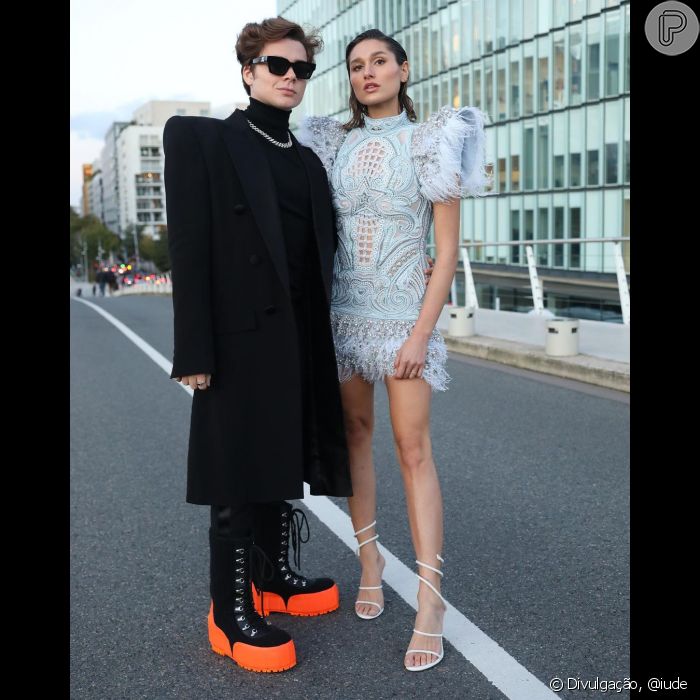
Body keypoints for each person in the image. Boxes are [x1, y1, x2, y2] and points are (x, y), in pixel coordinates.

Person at [163, 17, 353, 674]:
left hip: (298, 337)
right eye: (279, 65)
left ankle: (272, 581)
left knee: (280, 464)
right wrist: (194, 352)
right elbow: (188, 249)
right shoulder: (204, 141)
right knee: (235, 475)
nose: (291, 78)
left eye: (302, 69)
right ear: (248, 70)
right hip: (237, 339)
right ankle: (228, 609)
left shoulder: (306, 161)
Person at [298, 29, 488, 671]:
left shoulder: (434, 141)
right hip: (344, 316)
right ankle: (370, 560)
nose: (368, 73)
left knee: (412, 449)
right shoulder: (332, 144)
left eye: (380, 61)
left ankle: (430, 599)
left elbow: (448, 254)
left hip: (404, 318)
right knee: (355, 434)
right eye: (356, 66)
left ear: (403, 70)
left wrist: (419, 334)